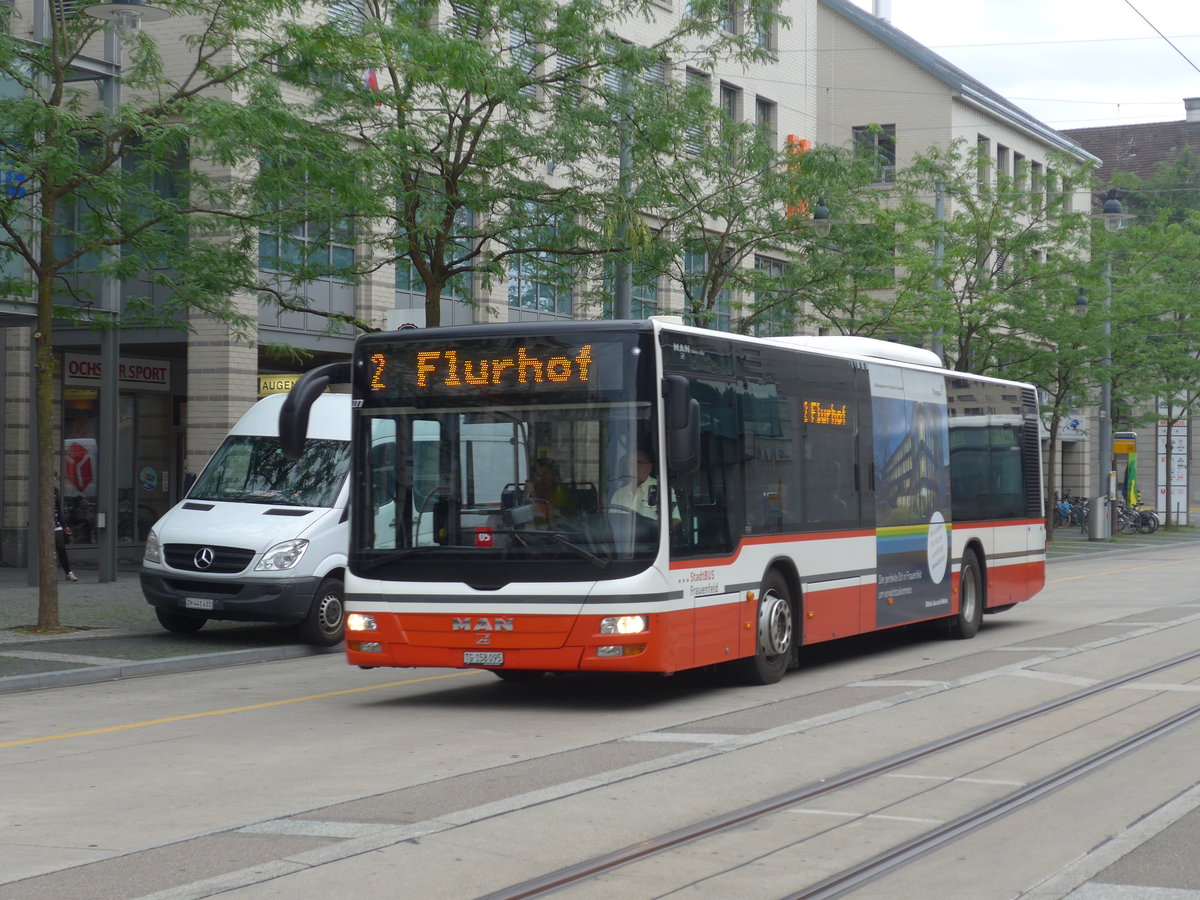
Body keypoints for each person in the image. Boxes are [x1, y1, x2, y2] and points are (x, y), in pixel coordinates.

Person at [610, 449, 680, 530]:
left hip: (653, 541)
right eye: (630, 464)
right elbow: (611, 522)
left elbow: (675, 520)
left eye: (638, 463)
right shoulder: (619, 494)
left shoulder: (662, 490)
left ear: (649, 467)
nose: (634, 467)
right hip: (623, 540)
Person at [525, 458, 574, 527]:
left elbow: (552, 512)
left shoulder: (561, 490)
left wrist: (533, 494)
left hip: (557, 531)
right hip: (533, 532)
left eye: (546, 474)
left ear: (554, 475)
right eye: (538, 475)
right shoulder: (533, 489)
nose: (542, 478)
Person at [54, 484, 78, 582]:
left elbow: (58, 509)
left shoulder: (55, 490)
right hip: (44, 524)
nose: (53, 480)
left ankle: (68, 572)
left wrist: (64, 526)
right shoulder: (38, 489)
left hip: (56, 524)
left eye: (54, 477)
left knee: (61, 548)